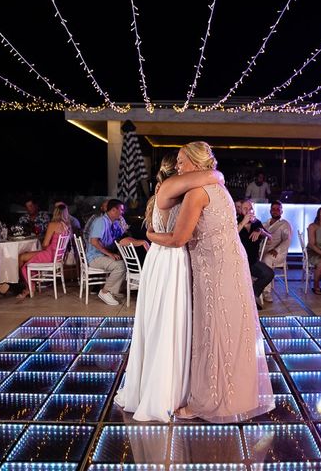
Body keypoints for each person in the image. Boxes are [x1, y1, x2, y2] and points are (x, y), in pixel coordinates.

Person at [147, 141, 274, 423]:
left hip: (214, 269)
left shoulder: (197, 193)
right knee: (233, 332)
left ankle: (205, 403)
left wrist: (151, 235)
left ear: (195, 163)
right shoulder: (220, 189)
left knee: (212, 332)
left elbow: (178, 239)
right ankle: (237, 396)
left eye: (181, 161)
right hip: (232, 264)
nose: (178, 166)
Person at [114, 154, 221, 422]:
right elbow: (179, 236)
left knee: (158, 323)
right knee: (170, 324)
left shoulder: (160, 194)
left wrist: (149, 236)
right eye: (184, 167)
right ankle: (168, 393)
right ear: (178, 172)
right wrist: (216, 175)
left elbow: (152, 229)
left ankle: (153, 387)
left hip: (158, 259)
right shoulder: (176, 192)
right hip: (172, 260)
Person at [86, 199, 149, 306]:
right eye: (121, 210)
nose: (123, 212)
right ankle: (105, 291)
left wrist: (141, 242)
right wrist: (110, 254)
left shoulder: (114, 223)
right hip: (95, 257)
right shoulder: (101, 221)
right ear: (114, 210)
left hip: (102, 255)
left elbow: (123, 238)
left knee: (123, 261)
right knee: (120, 266)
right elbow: (94, 241)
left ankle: (113, 291)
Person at [17, 203, 72, 300]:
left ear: (55, 213)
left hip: (49, 255)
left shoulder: (53, 224)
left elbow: (45, 244)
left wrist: (45, 242)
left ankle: (29, 287)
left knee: (21, 258)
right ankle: (30, 284)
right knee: (23, 256)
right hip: (57, 257)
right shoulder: (67, 226)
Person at [237, 200, 274, 309]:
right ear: (239, 210)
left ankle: (252, 296)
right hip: (238, 262)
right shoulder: (235, 222)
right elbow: (230, 237)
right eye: (245, 208)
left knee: (269, 273)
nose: (248, 211)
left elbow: (270, 238)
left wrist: (261, 231)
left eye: (250, 208)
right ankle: (245, 301)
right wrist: (243, 222)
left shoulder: (256, 223)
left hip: (252, 261)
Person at [261, 200, 292, 302]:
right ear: (270, 211)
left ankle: (266, 291)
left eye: (277, 209)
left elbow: (287, 240)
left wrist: (276, 249)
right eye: (273, 209)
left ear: (281, 211)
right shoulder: (265, 223)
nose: (275, 211)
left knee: (267, 259)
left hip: (278, 253)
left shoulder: (284, 224)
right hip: (264, 250)